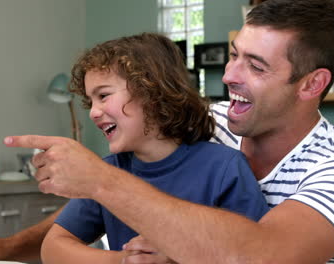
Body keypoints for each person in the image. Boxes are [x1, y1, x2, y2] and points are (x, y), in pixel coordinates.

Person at [0, 0, 334, 263]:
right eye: (234, 56)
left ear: (312, 84)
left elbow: (262, 255)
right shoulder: (205, 121)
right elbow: (86, 217)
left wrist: (102, 180)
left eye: (256, 67)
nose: (228, 76)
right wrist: (6, 249)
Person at [40, 33, 268, 263]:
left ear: (152, 92)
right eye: (91, 101)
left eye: (103, 95)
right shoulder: (108, 171)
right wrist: (122, 260)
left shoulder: (224, 168)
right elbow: (52, 246)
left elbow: (259, 255)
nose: (93, 112)